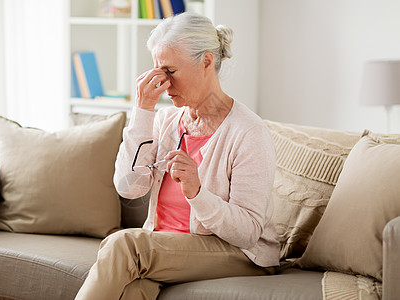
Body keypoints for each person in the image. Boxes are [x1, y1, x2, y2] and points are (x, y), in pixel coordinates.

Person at [75, 12, 280, 300]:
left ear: (206, 62)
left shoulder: (249, 133)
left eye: (171, 71)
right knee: (132, 292)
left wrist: (197, 192)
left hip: (240, 253)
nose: (164, 84)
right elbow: (128, 187)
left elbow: (247, 233)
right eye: (158, 72)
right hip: (167, 246)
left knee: (124, 245)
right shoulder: (166, 120)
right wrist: (143, 109)